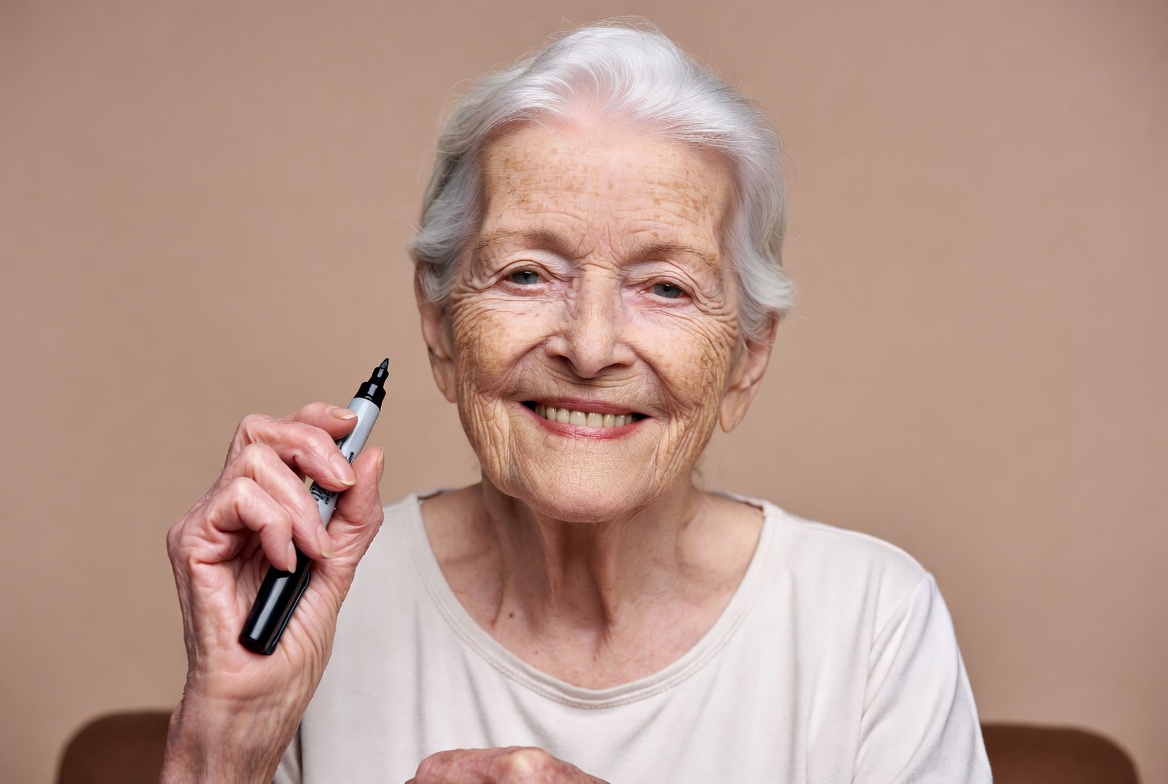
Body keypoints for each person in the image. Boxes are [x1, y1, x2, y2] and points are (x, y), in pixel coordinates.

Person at [161, 20, 991, 783]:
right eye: (527, 273)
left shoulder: (872, 622)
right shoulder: (315, 596)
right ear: (440, 326)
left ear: (748, 356)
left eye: (665, 286)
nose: (589, 348)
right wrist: (228, 731)